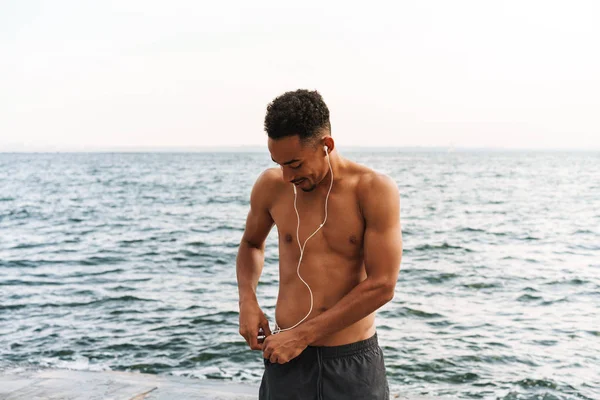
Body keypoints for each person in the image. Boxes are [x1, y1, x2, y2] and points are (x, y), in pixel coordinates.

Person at [236, 89, 402, 399]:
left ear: (326, 145)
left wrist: (302, 335)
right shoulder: (271, 186)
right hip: (286, 358)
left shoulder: (372, 189)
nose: (286, 176)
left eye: (295, 164)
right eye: (279, 163)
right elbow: (251, 244)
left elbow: (383, 285)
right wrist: (247, 298)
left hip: (351, 363)